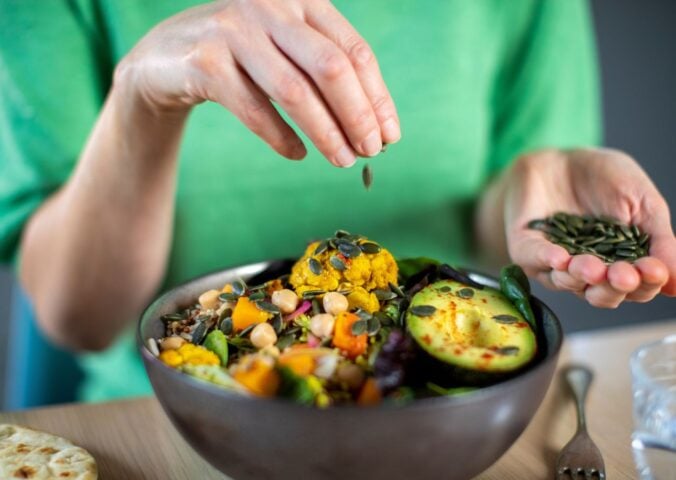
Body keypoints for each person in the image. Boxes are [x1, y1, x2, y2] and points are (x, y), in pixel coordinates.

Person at [1, 0, 674, 402]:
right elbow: (76, 318)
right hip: (171, 425)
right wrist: (141, 98)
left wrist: (529, 190)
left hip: (439, 416)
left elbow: (499, 237)